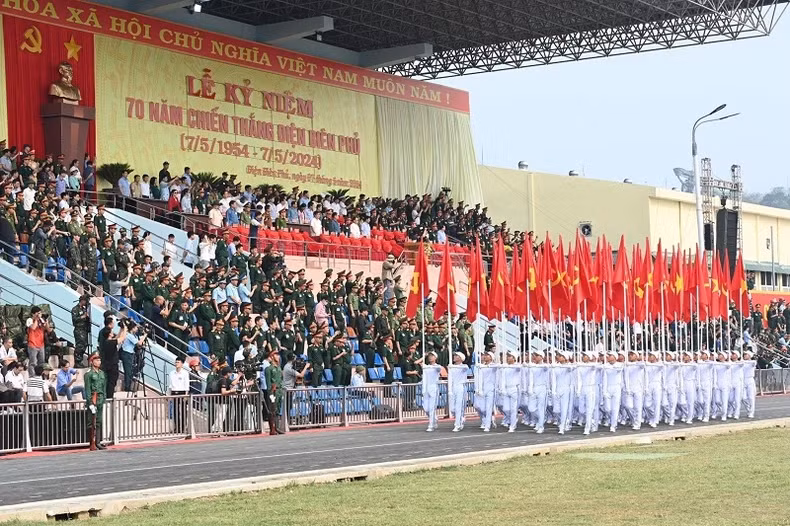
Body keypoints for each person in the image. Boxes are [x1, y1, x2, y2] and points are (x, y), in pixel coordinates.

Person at [84, 353, 107, 450]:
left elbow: (104, 387)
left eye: (100, 360)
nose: (99, 362)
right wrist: (90, 403)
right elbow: (87, 389)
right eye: (97, 360)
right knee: (91, 422)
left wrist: (104, 398)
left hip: (100, 398)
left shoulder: (102, 373)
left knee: (99, 421)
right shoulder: (88, 374)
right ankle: (91, 443)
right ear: (92, 361)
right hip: (93, 398)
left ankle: (98, 442)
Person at [525, 349, 550, 434]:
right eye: (534, 355)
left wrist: (542, 364)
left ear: (541, 357)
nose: (534, 357)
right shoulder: (532, 366)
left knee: (541, 408)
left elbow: (546, 368)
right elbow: (531, 379)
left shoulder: (544, 366)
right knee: (531, 408)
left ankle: (540, 426)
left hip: (542, 388)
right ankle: (542, 418)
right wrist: (530, 388)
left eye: (537, 355)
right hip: (534, 388)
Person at [497, 350, 522, 432]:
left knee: (513, 408)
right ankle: (513, 418)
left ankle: (512, 425)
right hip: (506, 389)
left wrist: (511, 365)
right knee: (506, 409)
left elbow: (519, 367)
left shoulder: (516, 366)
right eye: (507, 356)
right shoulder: (505, 367)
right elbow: (503, 378)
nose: (507, 358)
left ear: (514, 358)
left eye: (509, 356)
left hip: (514, 388)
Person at [474, 351, 497, 432]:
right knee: (478, 406)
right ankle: (488, 418)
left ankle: (487, 425)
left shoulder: (494, 366)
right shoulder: (480, 366)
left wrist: (488, 366)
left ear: (491, 357)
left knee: (488, 407)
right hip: (481, 388)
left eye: (487, 355)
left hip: (490, 388)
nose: (485, 356)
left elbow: (498, 366)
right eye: (485, 355)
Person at [420, 351, 442, 432]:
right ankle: (434, 418)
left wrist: (431, 366)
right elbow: (417, 362)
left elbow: (439, 368)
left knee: (432, 408)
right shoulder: (426, 367)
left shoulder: (437, 366)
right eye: (429, 356)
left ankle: (431, 425)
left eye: (432, 356)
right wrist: (424, 356)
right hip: (426, 388)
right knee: (426, 408)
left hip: (433, 388)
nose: (430, 357)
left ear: (435, 358)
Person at [447, 351, 469, 432]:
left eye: (456, 356)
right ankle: (461, 418)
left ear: (460, 358)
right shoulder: (451, 367)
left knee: (459, 407)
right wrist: (449, 390)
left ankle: (458, 424)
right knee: (452, 409)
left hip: (460, 387)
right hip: (453, 387)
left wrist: (453, 367)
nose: (454, 357)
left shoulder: (463, 366)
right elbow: (450, 379)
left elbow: (465, 368)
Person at [264, 352, 284, 435]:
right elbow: (268, 383)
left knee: (278, 409)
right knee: (272, 410)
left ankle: (277, 427)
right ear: (272, 357)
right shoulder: (269, 369)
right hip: (273, 391)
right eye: (276, 355)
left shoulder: (279, 368)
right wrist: (270, 393)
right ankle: (272, 428)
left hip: (279, 390)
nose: (278, 356)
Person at [169, 357, 190, 434]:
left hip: (182, 392)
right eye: (176, 362)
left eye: (178, 362)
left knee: (183, 411)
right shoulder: (172, 373)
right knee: (175, 411)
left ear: (182, 364)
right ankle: (177, 427)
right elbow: (170, 385)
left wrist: (186, 394)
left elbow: (186, 384)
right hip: (174, 392)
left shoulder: (185, 373)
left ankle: (183, 427)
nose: (176, 364)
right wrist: (170, 395)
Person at [71, 295, 91, 366]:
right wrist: (83, 316)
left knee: (84, 345)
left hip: (84, 329)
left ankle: (80, 360)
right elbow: (74, 319)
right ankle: (77, 361)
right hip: (78, 330)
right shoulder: (75, 309)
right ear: (82, 301)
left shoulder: (84, 309)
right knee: (79, 345)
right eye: (85, 301)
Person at [26, 306, 46, 376]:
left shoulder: (41, 320)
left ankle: (40, 376)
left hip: (41, 344)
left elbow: (47, 329)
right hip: (32, 344)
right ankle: (32, 376)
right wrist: (36, 319)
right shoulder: (29, 320)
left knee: (41, 362)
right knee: (33, 362)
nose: (39, 315)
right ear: (33, 314)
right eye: (38, 313)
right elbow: (33, 327)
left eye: (40, 313)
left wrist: (45, 321)